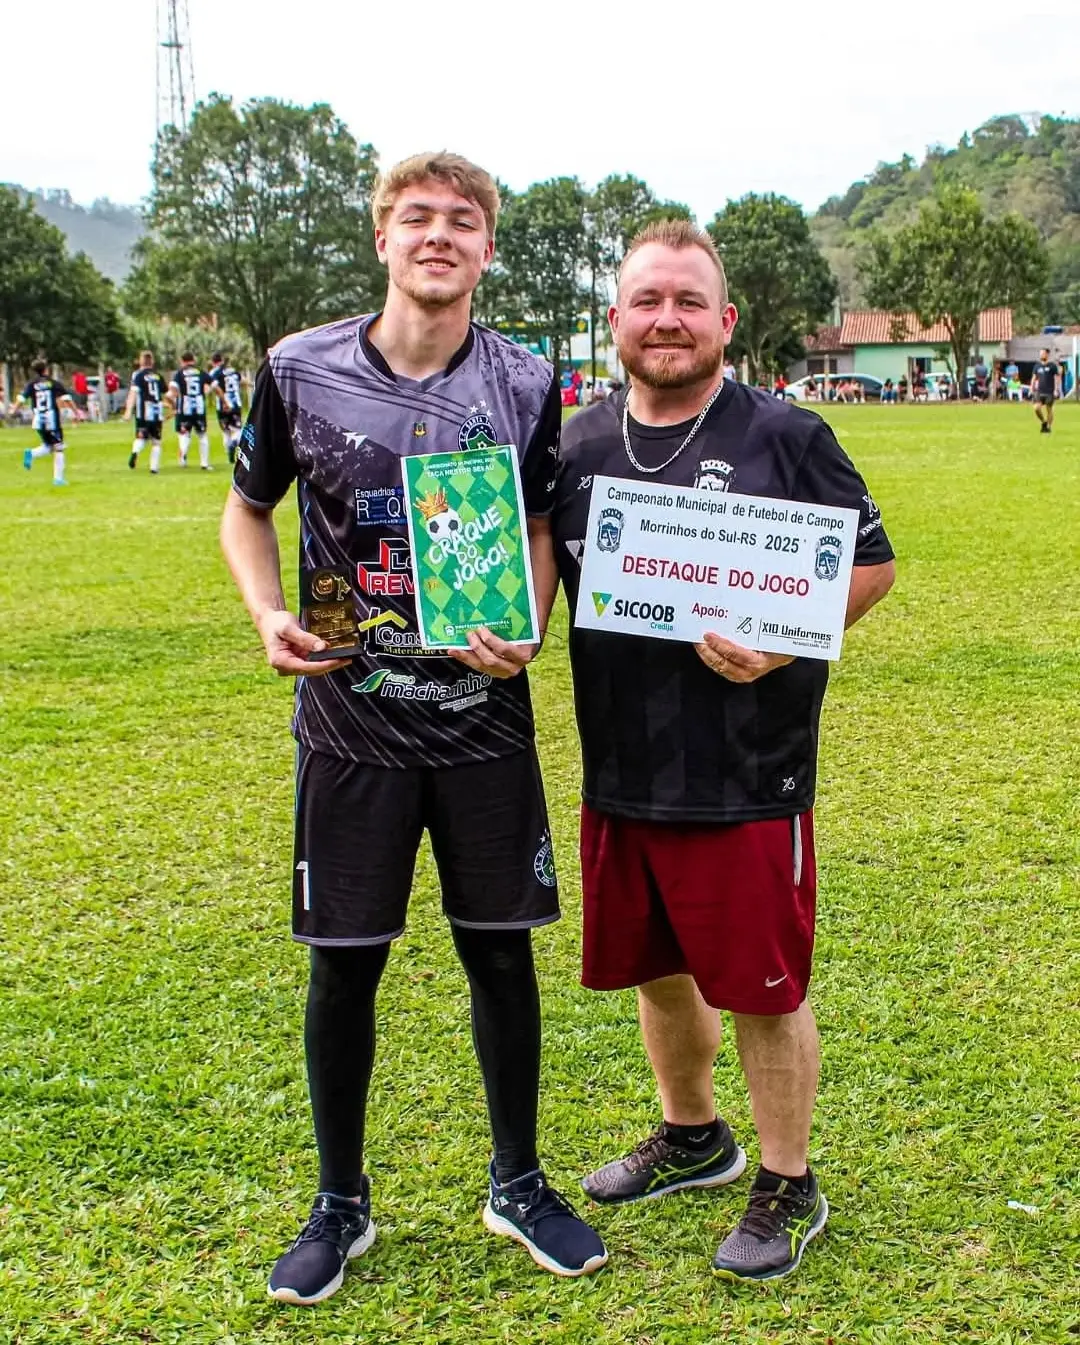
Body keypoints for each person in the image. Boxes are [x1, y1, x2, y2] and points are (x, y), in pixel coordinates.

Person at [220, 150, 607, 1307]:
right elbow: (247, 509)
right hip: (348, 718)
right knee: (344, 967)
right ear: (383, 238)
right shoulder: (299, 368)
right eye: (418, 218)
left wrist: (527, 624)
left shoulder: (530, 381)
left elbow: (539, 526)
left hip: (482, 718)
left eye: (464, 221)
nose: (440, 236)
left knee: (501, 950)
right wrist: (267, 610)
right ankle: (340, 1202)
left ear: (488, 248)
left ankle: (519, 1180)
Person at [550, 218, 895, 1282]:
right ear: (615, 319)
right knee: (659, 971)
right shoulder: (576, 445)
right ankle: (693, 1135)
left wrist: (782, 639)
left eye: (689, 302)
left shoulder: (787, 436)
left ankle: (789, 1182)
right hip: (622, 769)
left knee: (762, 986)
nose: (667, 319)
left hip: (749, 773)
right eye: (647, 300)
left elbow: (872, 568)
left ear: (724, 320)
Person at [19, 360, 75, 485]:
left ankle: (31, 453)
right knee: (59, 448)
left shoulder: (31, 384)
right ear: (46, 370)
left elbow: (21, 398)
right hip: (52, 421)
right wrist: (76, 412)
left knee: (49, 446)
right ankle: (58, 479)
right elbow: (67, 399)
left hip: (38, 421)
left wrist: (12, 410)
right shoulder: (53, 383)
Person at [167, 352, 214, 468]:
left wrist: (175, 402)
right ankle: (204, 463)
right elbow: (214, 384)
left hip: (184, 408)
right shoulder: (200, 372)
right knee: (202, 435)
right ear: (193, 360)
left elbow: (171, 390)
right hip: (199, 408)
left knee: (184, 434)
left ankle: (182, 456)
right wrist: (206, 392)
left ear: (182, 361)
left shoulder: (179, 374)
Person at [123, 350, 167, 472]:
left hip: (143, 412)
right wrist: (174, 405)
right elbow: (166, 393)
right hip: (157, 412)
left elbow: (133, 392)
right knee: (156, 441)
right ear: (152, 361)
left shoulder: (138, 376)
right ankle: (154, 468)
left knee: (141, 438)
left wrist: (128, 411)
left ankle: (135, 452)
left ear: (141, 361)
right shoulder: (158, 376)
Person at [209, 351, 244, 463]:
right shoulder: (233, 370)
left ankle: (230, 451)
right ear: (222, 360)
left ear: (213, 362)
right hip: (235, 404)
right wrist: (253, 384)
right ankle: (235, 442)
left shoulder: (214, 372)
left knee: (226, 431)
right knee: (237, 428)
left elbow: (213, 386)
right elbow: (242, 380)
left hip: (222, 405)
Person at [1030, 348, 1061, 433]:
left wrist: (1056, 389)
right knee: (1036, 408)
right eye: (1040, 353)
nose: (1041, 355)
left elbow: (1056, 378)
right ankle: (1044, 422)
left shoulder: (1052, 366)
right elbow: (1033, 378)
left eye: (1043, 353)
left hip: (1049, 392)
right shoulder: (1037, 366)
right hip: (1039, 391)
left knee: (1049, 409)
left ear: (1047, 355)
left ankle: (1048, 427)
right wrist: (1031, 388)